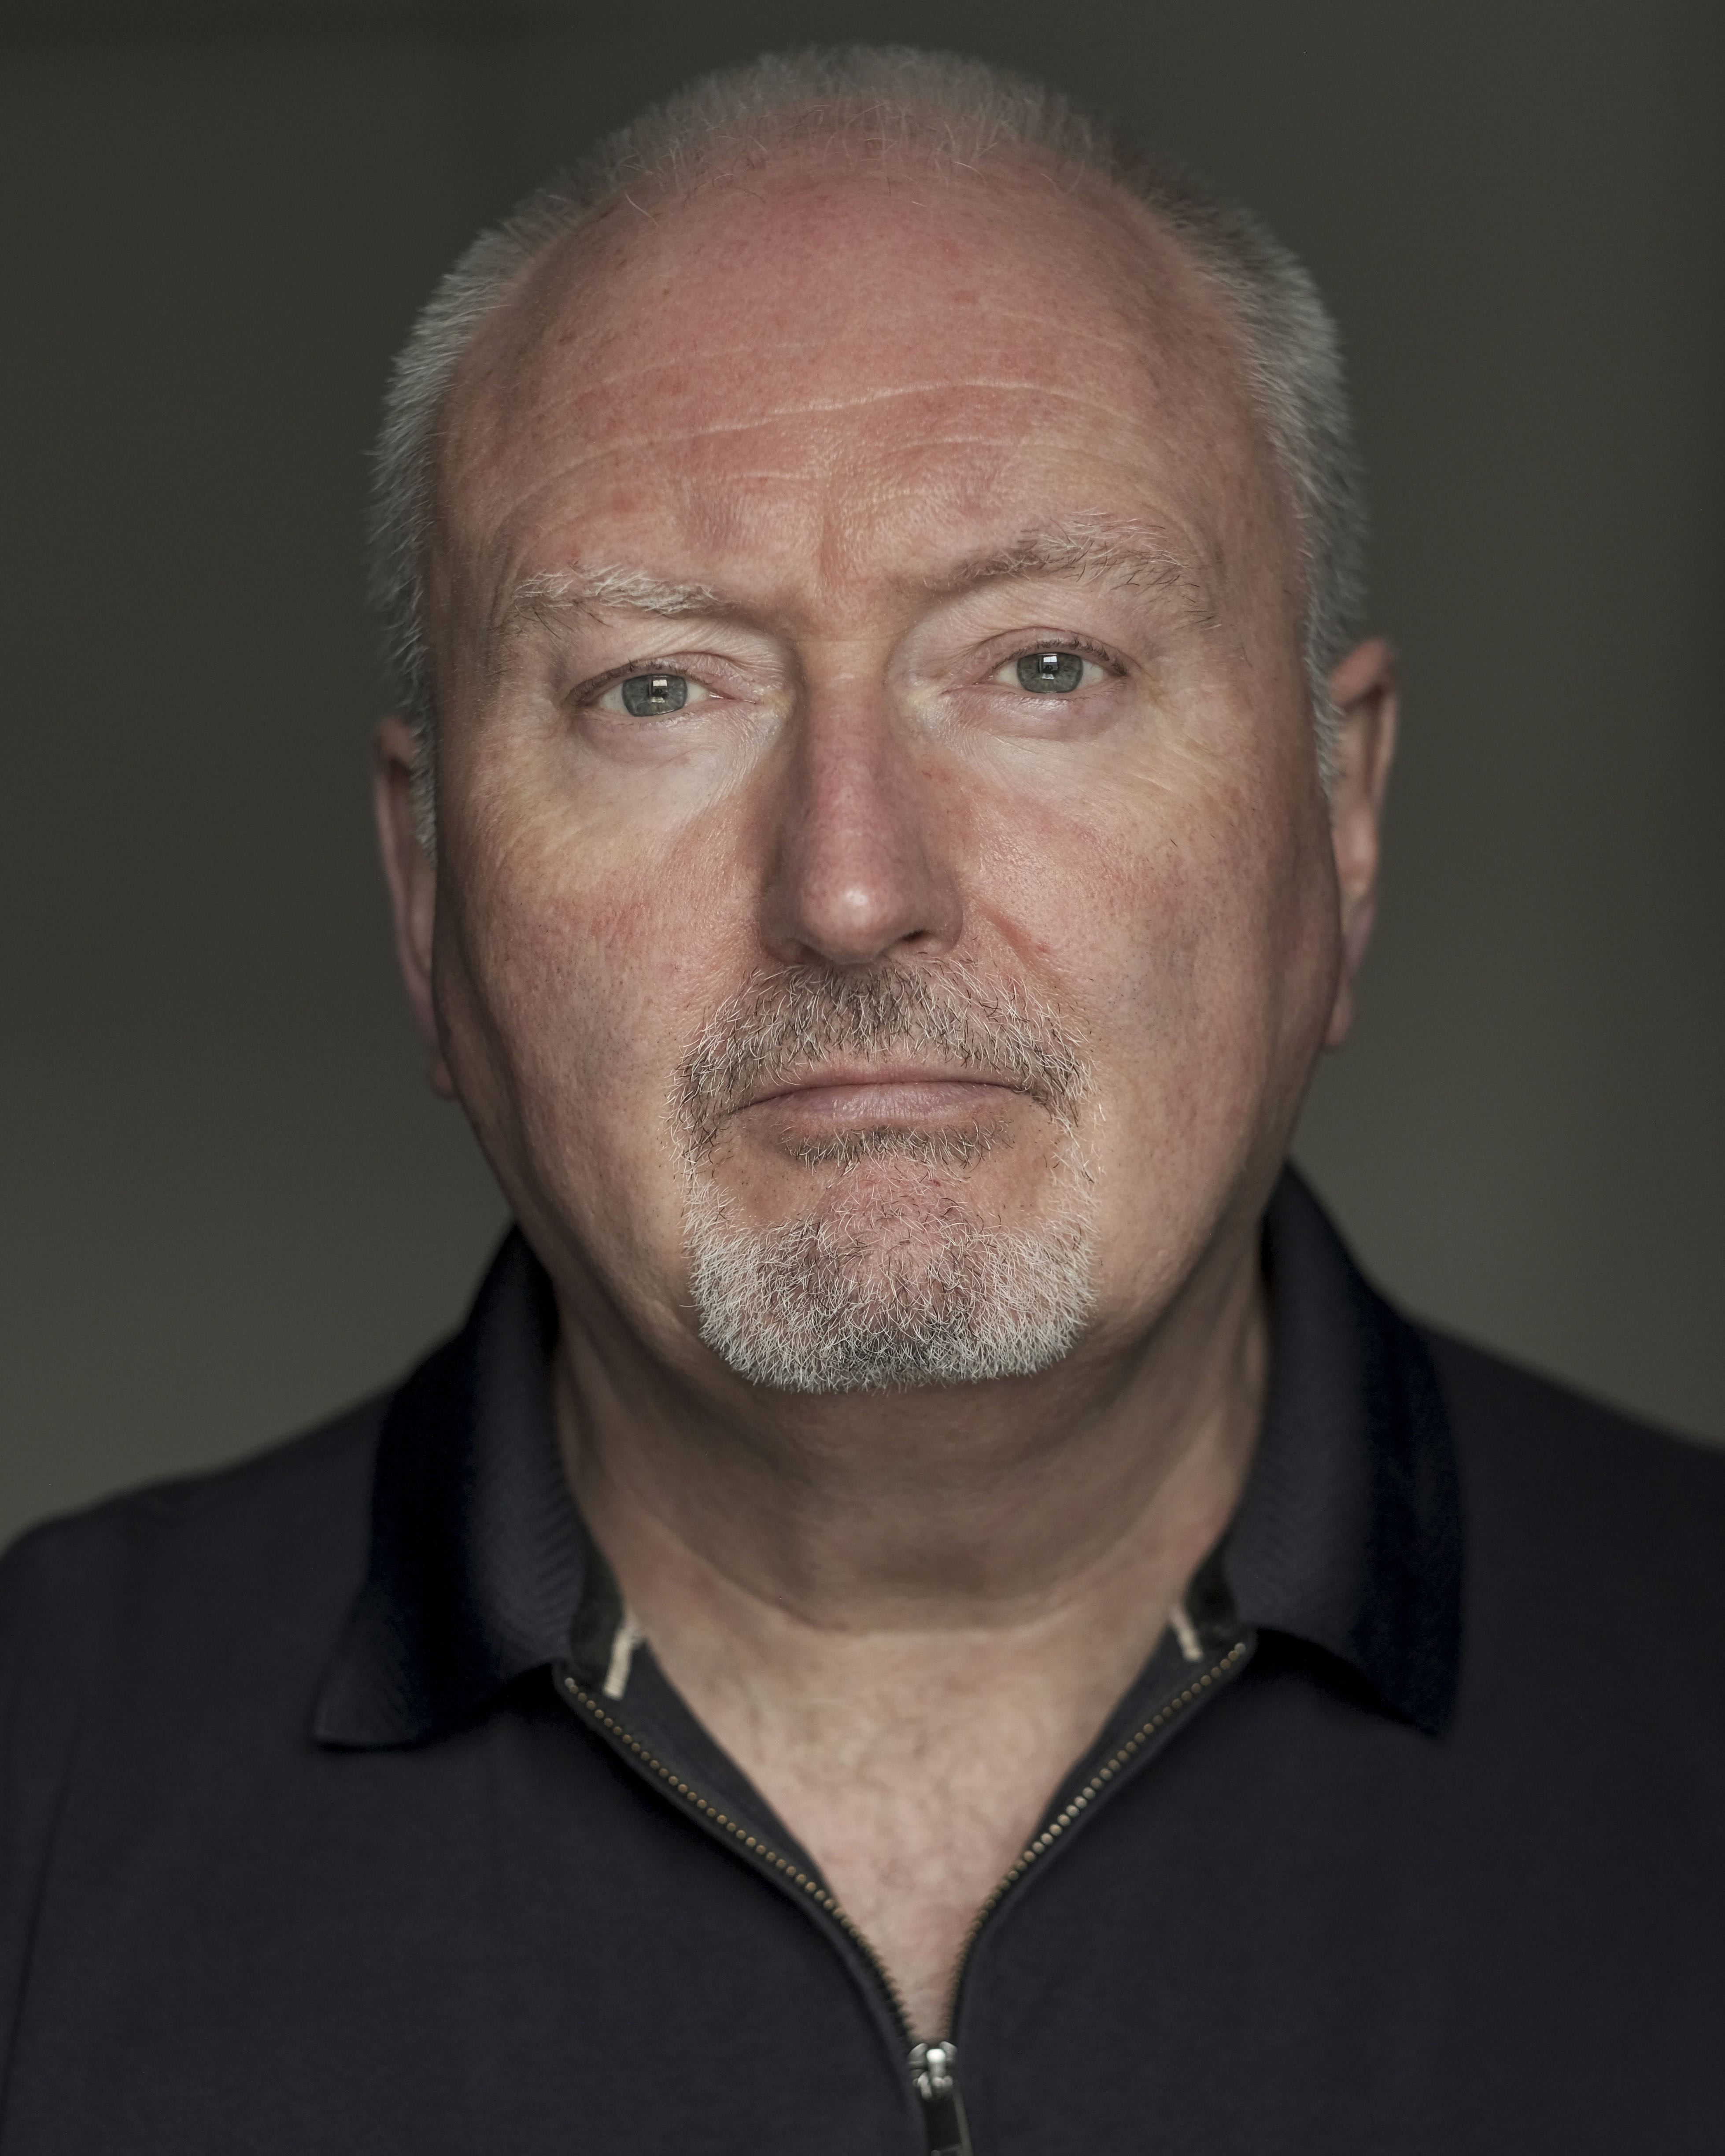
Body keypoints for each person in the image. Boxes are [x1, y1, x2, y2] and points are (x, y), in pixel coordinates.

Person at [2, 45, 1721, 2156]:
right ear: (426, 884)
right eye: (655, 688)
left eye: (1043, 664)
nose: (845, 886)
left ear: (1340, 821)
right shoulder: (40, 1783)